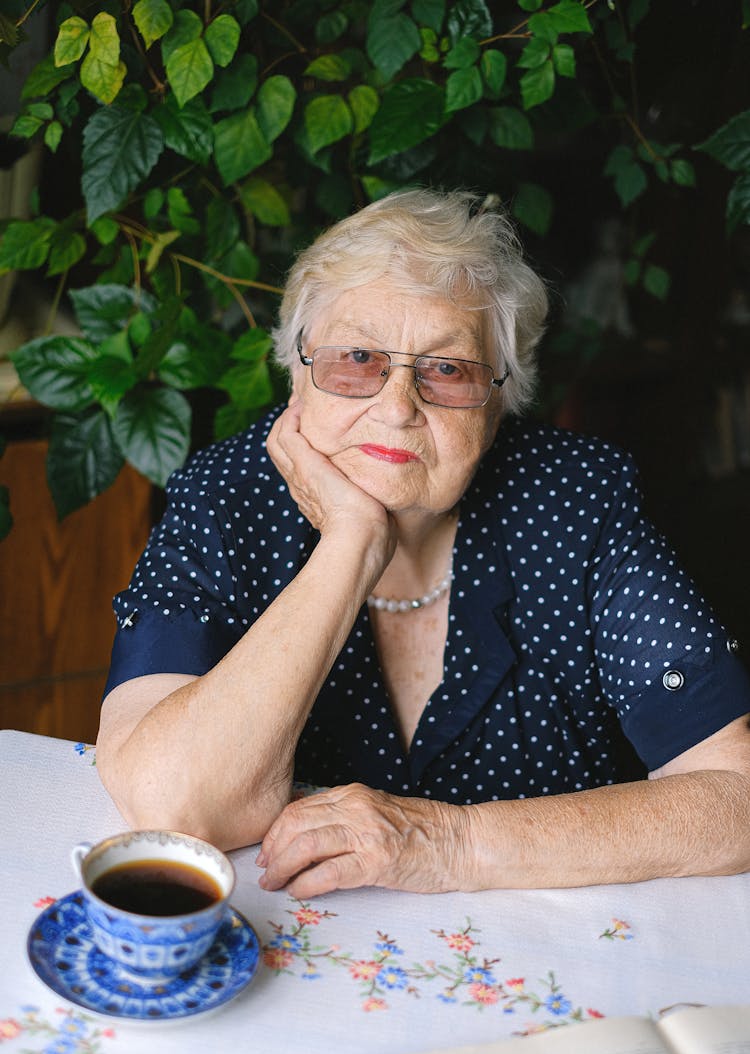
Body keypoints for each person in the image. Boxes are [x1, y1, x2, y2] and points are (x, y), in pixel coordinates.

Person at [96, 188, 750, 898]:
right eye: (357, 358)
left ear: (500, 400)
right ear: (297, 372)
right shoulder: (224, 495)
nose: (397, 406)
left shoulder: (578, 499)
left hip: (539, 960)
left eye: (447, 369)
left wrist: (451, 843)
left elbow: (733, 798)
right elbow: (175, 806)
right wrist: (351, 543)